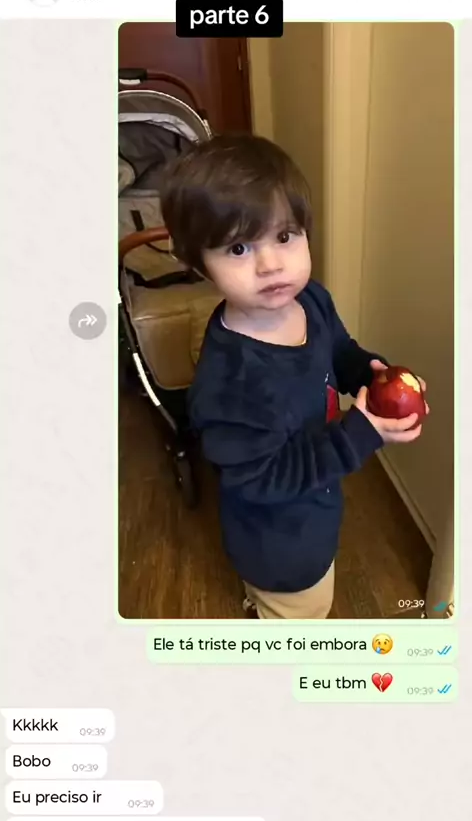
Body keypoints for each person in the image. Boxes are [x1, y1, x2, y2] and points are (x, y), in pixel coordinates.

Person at [160, 134, 428, 619]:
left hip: (315, 507)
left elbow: (339, 352)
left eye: (284, 237)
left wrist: (374, 377)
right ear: (198, 264)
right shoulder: (230, 385)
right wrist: (358, 435)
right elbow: (261, 478)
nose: (271, 265)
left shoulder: (311, 301)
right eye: (238, 247)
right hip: (278, 545)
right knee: (299, 617)